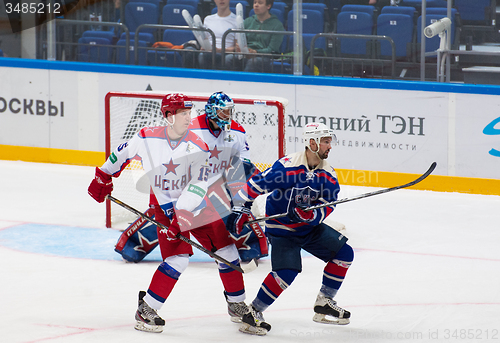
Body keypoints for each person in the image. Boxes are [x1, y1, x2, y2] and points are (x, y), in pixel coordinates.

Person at [87, 93, 248, 333]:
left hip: (197, 207)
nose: (189, 117)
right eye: (183, 113)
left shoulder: (198, 145)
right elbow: (121, 154)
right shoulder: (146, 136)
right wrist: (103, 175)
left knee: (227, 251)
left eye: (189, 112)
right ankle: (146, 309)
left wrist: (182, 217)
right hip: (164, 210)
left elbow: (198, 185)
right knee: (178, 260)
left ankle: (237, 304)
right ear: (168, 116)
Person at [227, 122, 354, 336]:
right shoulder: (287, 167)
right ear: (312, 142)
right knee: (286, 272)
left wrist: (312, 216)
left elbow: (329, 202)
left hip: (309, 228)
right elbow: (254, 185)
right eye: (325, 141)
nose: (329, 146)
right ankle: (253, 312)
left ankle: (324, 301)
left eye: (329, 141)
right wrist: (241, 209)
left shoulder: (328, 173)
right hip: (282, 229)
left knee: (344, 254)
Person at [232, 0, 285, 72]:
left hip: (265, 56)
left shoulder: (277, 25)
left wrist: (256, 52)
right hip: (247, 53)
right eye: (254, 2)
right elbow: (242, 39)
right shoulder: (248, 21)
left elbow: (272, 49)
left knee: (253, 62)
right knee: (229, 59)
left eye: (260, 3)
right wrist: (239, 47)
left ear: (268, 6)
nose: (256, 5)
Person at [197, 0, 238, 69]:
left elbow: (237, 48)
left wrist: (220, 50)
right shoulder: (208, 19)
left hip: (227, 53)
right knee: (202, 56)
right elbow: (204, 41)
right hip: (209, 53)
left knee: (228, 59)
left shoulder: (237, 20)